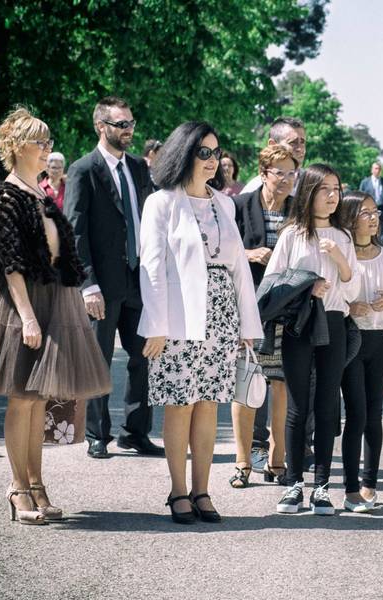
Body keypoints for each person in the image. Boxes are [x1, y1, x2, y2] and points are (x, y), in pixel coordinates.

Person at [0, 106, 111, 525]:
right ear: (18, 148)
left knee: (38, 401)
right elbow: (8, 262)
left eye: (49, 142)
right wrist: (28, 317)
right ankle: (18, 488)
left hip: (53, 296)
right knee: (22, 399)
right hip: (23, 304)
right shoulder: (7, 194)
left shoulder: (41, 193)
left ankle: (37, 484)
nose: (48, 148)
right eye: (42, 142)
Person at [138, 121, 262, 524]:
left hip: (223, 316)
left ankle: (202, 490)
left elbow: (239, 267)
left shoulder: (224, 203)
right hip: (177, 318)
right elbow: (152, 267)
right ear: (184, 154)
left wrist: (248, 326)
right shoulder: (161, 202)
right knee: (180, 405)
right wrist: (156, 323)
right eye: (203, 153)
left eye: (215, 152)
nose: (212, 161)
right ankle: (178, 492)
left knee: (209, 405)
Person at [64, 96, 163, 459]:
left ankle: (135, 433)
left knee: (144, 359)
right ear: (101, 127)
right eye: (121, 124)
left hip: (141, 281)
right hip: (102, 285)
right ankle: (96, 434)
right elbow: (74, 233)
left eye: (131, 124)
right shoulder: (83, 170)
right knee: (99, 360)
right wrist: (87, 285)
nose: (129, 131)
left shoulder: (139, 168)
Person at [263, 163, 359, 515]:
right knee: (297, 406)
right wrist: (307, 285)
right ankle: (293, 485)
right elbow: (274, 283)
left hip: (333, 322)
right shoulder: (292, 235)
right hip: (298, 324)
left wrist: (336, 256)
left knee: (327, 405)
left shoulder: (343, 237)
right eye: (325, 189)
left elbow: (352, 286)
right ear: (309, 192)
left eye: (337, 188)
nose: (333, 196)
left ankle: (321, 486)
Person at [230, 145, 299, 487]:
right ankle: (242, 462)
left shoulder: (298, 211)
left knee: (281, 383)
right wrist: (248, 253)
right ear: (263, 172)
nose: (286, 180)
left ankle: (277, 459)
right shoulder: (240, 205)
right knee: (245, 382)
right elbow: (219, 248)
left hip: (286, 309)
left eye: (291, 173)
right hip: (247, 307)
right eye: (279, 173)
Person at [341, 191, 383, 512]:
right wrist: (348, 306)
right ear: (351, 218)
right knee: (356, 414)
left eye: (375, 212)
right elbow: (332, 297)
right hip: (351, 340)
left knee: (375, 414)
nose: (373, 217)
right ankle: (350, 488)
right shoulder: (342, 255)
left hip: (379, 340)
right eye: (365, 212)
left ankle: (370, 483)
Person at [240, 117, 307, 194]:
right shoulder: (254, 190)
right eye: (292, 143)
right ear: (273, 145)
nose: (300, 149)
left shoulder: (314, 184)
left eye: (302, 142)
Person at [359, 162, 383, 238]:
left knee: (382, 232)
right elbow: (360, 198)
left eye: (379, 169)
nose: (378, 170)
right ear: (372, 170)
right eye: (376, 168)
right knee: (369, 230)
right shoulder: (365, 182)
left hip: (382, 210)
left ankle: (382, 246)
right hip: (369, 210)